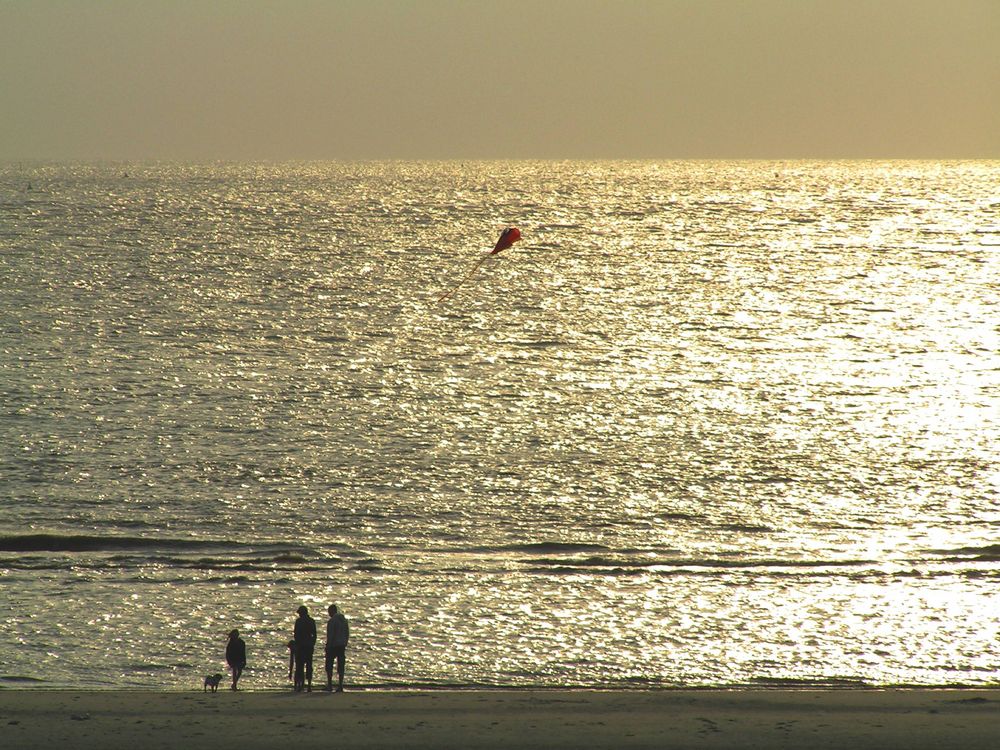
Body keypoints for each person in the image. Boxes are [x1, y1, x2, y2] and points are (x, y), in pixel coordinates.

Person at [325, 604, 350, 692]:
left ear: (332, 611)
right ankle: (340, 685)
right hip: (341, 645)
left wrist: (328, 645)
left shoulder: (332, 621)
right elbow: (347, 633)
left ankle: (330, 684)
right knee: (341, 665)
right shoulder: (344, 620)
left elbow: (331, 634)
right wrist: (345, 642)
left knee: (329, 665)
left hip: (333, 645)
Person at [293, 605, 317, 692]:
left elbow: (296, 635)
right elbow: (314, 635)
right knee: (309, 666)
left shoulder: (298, 622)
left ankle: (300, 685)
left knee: (300, 666)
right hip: (308, 647)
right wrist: (312, 643)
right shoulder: (311, 621)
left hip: (301, 646)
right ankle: (309, 685)